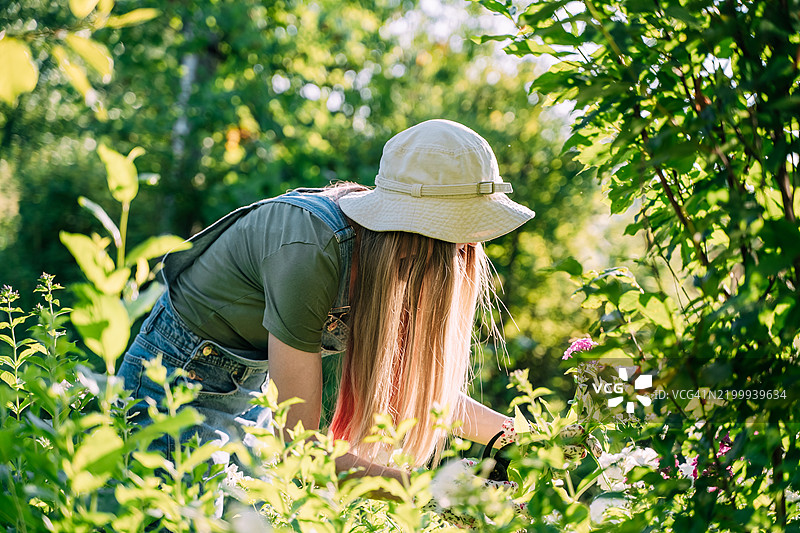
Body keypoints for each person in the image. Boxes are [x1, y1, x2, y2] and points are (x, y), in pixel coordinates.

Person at [119, 119, 535, 498]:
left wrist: (524, 436)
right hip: (174, 384)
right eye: (459, 238)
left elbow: (422, 394)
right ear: (422, 237)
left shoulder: (387, 260)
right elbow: (300, 452)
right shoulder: (312, 250)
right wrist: (436, 491)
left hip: (253, 392)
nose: (466, 253)